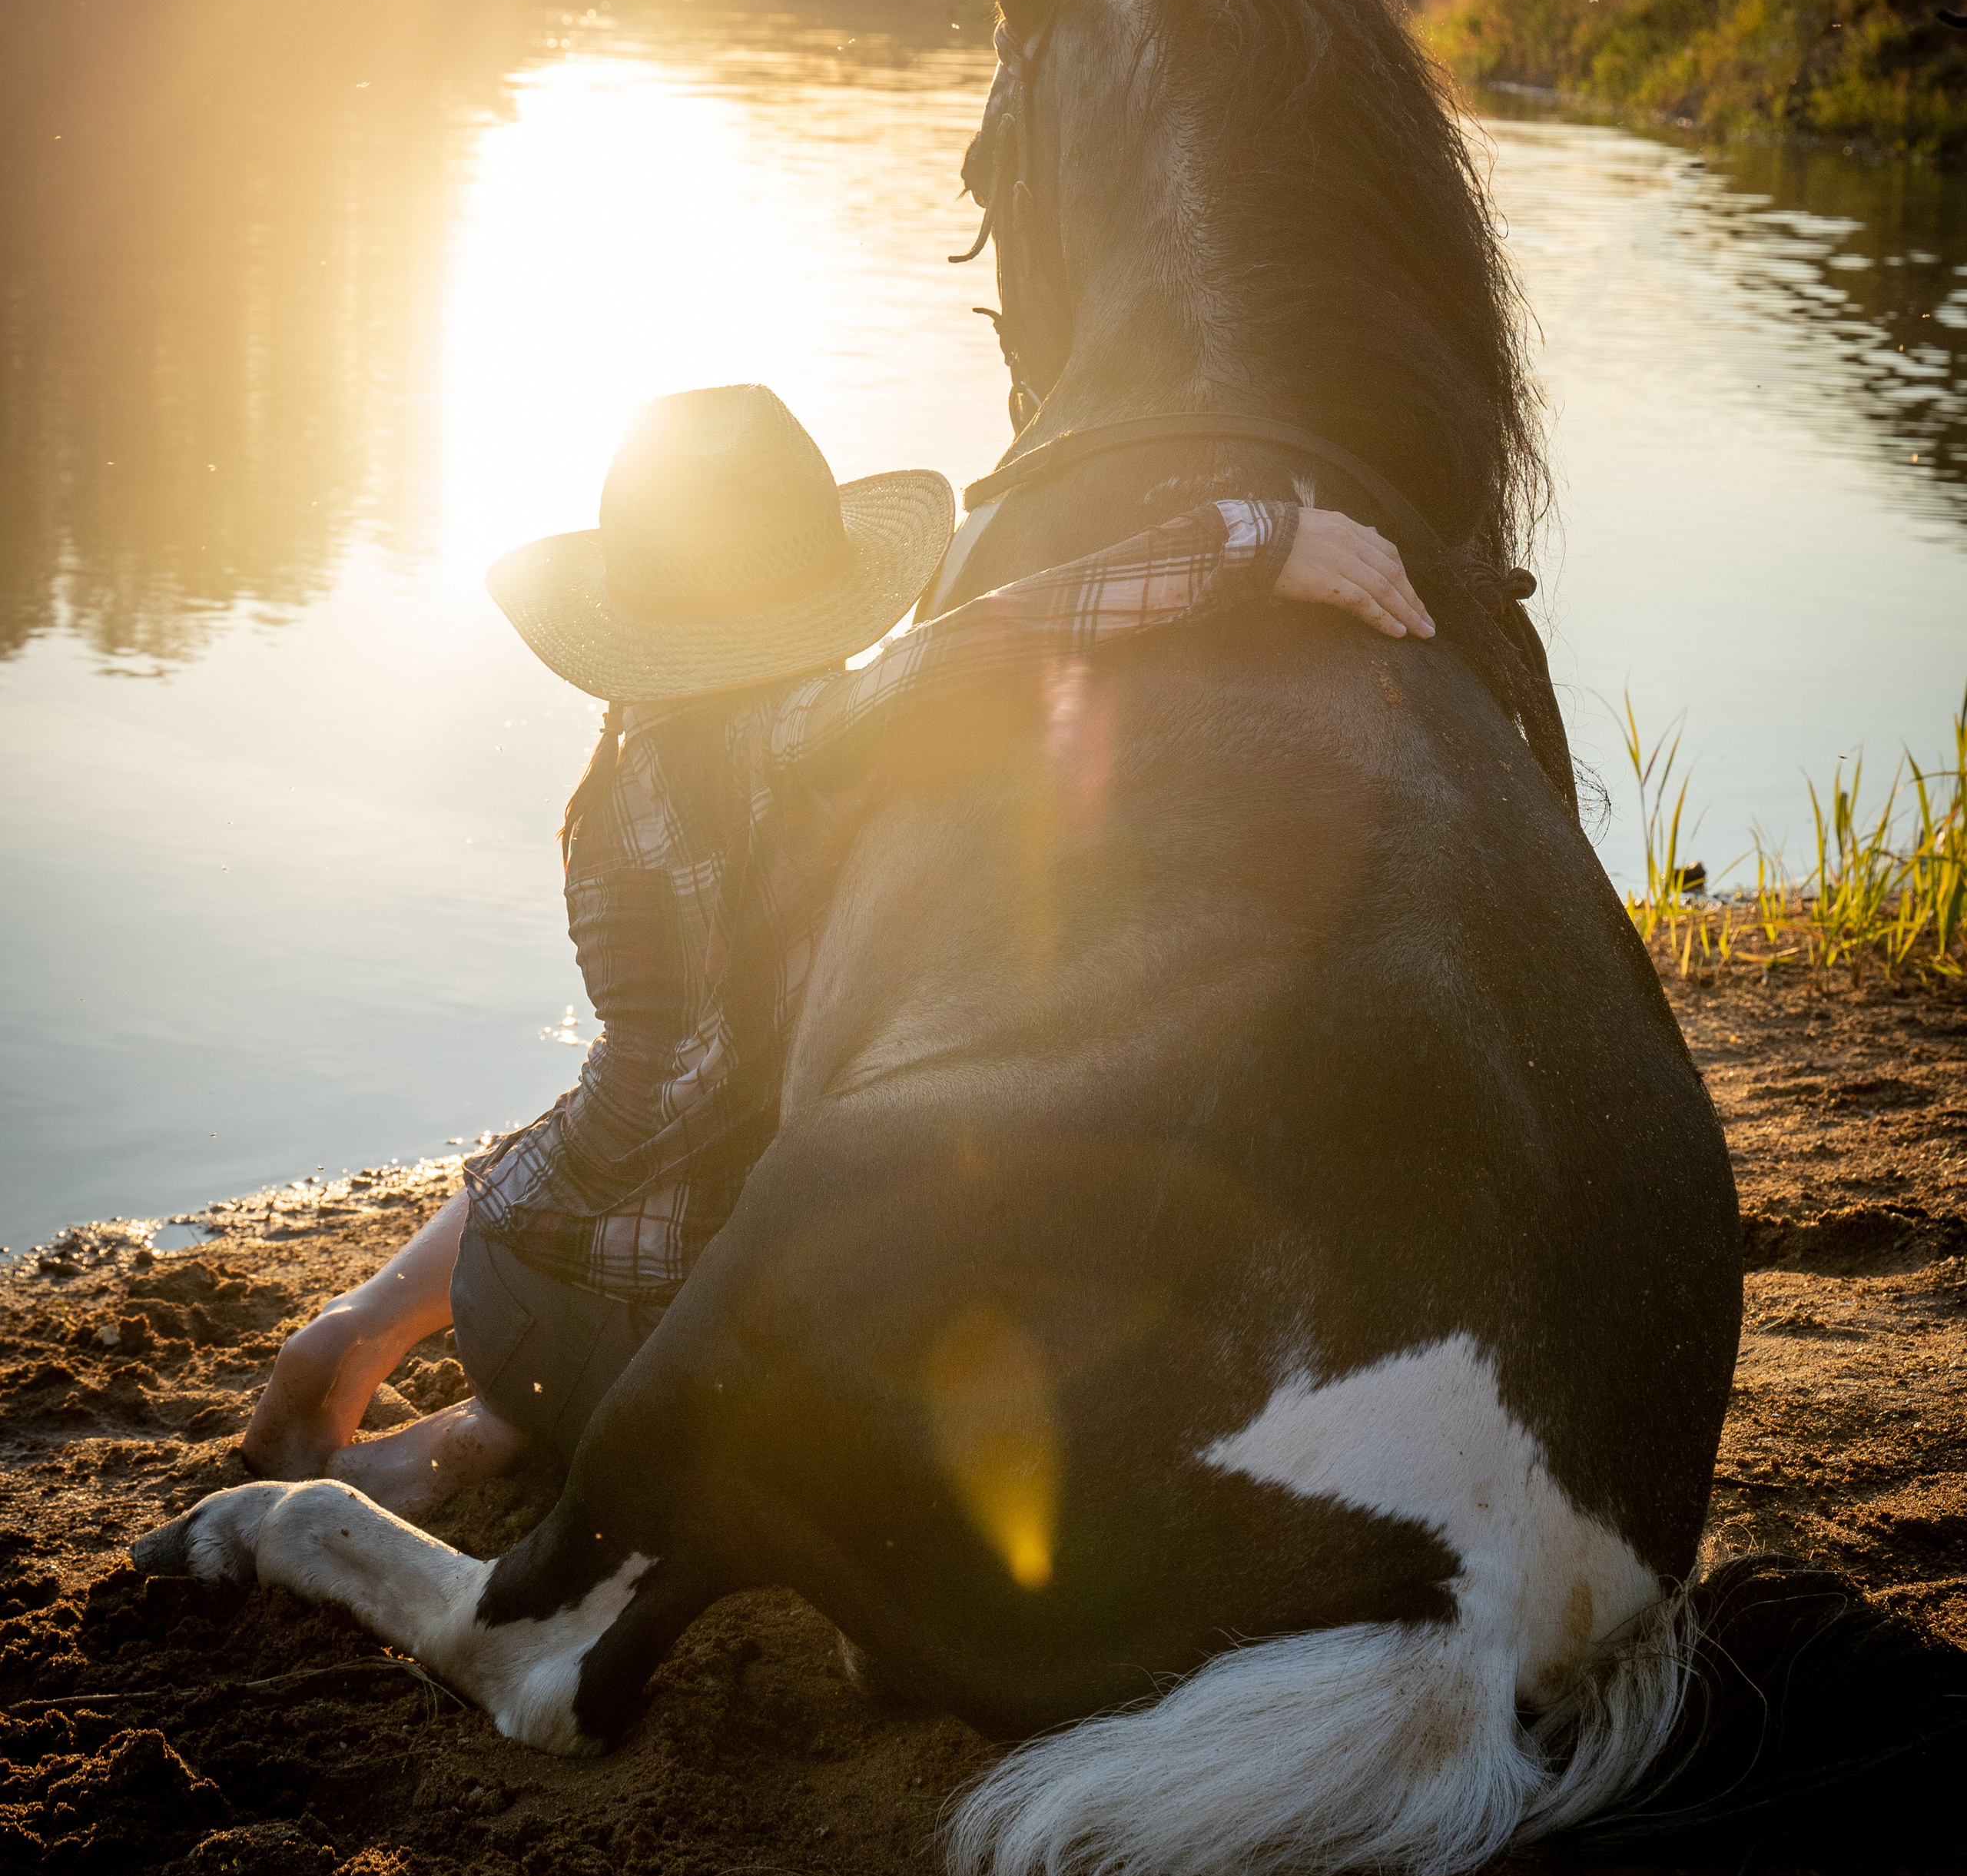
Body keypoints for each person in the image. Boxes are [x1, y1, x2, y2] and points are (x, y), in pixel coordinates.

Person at [241, 383, 1434, 1516]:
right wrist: (1255, 538)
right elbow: (998, 631)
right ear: (809, 587)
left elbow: (654, 1077)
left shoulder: (619, 772)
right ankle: (441, 1451)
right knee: (670, 1342)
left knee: (634, 1088)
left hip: (513, 1266)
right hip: (658, 1322)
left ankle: (358, 1328)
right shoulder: (798, 736)